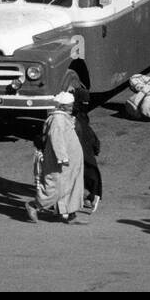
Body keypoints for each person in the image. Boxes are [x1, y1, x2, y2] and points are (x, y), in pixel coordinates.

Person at [26, 91, 84, 224]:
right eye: (69, 105)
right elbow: (56, 139)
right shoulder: (58, 119)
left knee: (72, 186)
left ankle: (70, 215)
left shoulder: (65, 118)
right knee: (57, 187)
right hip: (61, 161)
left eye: (71, 105)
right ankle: (34, 205)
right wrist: (62, 157)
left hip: (72, 161)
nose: (71, 107)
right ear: (62, 106)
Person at [69, 83, 102, 214]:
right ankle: (89, 196)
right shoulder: (82, 115)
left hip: (80, 150)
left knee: (84, 173)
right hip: (85, 149)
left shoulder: (75, 116)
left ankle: (90, 197)